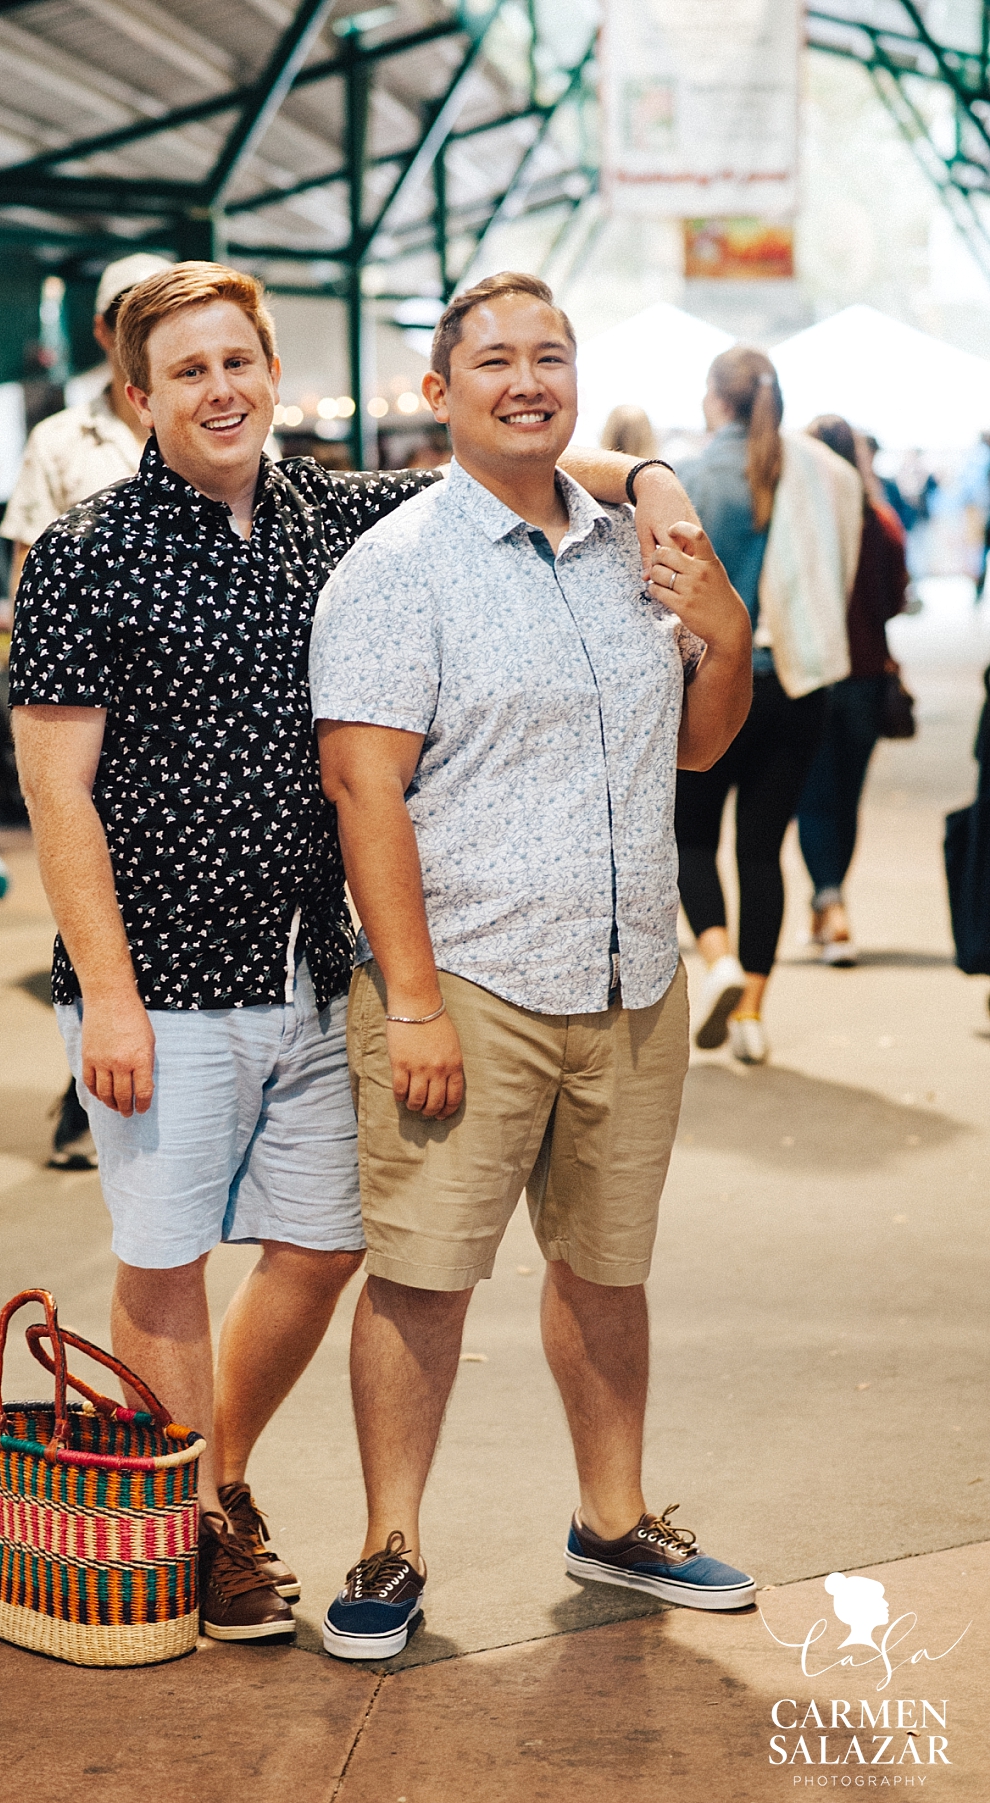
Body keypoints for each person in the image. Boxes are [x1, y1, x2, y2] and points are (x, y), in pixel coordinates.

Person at [9, 259, 703, 1644]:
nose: (221, 389)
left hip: (322, 965)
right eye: (188, 370)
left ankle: (213, 1479)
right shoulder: (84, 554)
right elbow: (55, 793)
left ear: (274, 374)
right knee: (163, 1265)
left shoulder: (336, 511)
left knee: (323, 1248)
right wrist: (107, 995)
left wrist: (653, 481)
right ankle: (181, 1538)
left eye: (239, 362)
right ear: (136, 396)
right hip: (171, 972)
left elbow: (518, 446)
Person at [309, 271, 756, 1662]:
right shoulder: (396, 569)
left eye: (549, 355)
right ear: (440, 393)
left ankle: (613, 1517)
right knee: (425, 1273)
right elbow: (363, 789)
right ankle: (390, 1538)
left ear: (576, 378)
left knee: (607, 1266)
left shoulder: (637, 546)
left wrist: (723, 625)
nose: (527, 380)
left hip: (632, 973)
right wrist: (419, 1002)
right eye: (493, 359)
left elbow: (700, 743)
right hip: (471, 980)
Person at [1, 250, 172, 1171]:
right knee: (86, 903)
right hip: (83, 700)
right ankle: (86, 1091)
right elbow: (33, 566)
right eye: (128, 316)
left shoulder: (221, 417)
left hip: (174, 713)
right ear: (107, 333)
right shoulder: (60, 441)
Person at [674, 348, 862, 1065]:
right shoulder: (829, 474)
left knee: (692, 838)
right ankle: (752, 1009)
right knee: (762, 848)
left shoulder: (687, 477)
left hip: (716, 683)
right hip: (798, 685)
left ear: (713, 399)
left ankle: (717, 959)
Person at [795, 416, 910, 964]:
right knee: (847, 798)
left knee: (814, 797)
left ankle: (830, 904)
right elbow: (897, 601)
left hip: (814, 674)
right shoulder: (880, 523)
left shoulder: (802, 524)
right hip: (866, 678)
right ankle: (829, 907)